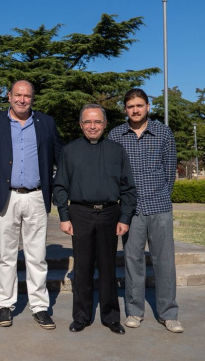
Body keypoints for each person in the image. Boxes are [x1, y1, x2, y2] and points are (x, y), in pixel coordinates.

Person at [0, 80, 62, 329]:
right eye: (18, 95)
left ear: (32, 98)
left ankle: (39, 306)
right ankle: (5, 305)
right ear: (9, 96)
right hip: (6, 196)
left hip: (37, 197)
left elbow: (60, 156)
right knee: (5, 256)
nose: (22, 100)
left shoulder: (46, 123)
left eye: (27, 96)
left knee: (37, 256)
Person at [53, 104, 137, 335]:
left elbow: (128, 187)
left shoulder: (117, 151)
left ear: (105, 124)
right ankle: (81, 317)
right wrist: (64, 215)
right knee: (82, 268)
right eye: (88, 122)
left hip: (111, 214)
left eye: (97, 122)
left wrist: (125, 216)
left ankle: (111, 317)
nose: (92, 126)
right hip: (80, 213)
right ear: (81, 125)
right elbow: (60, 185)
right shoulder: (69, 151)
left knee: (109, 267)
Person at [108, 89, 183, 333]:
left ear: (148, 106)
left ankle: (168, 313)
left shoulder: (162, 132)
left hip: (160, 207)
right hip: (131, 210)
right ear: (125, 109)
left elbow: (170, 170)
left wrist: (162, 196)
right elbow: (113, 173)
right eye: (131, 106)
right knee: (133, 261)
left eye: (140, 105)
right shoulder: (116, 134)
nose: (135, 110)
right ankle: (134, 311)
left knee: (164, 262)